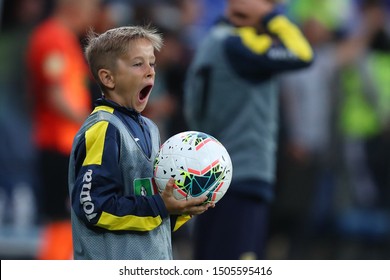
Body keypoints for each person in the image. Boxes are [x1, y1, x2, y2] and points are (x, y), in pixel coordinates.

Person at [68, 25, 214, 260]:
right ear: (108, 77)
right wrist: (160, 206)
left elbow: (149, 217)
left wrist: (181, 208)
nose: (150, 71)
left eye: (152, 63)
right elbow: (93, 207)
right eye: (138, 64)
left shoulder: (151, 128)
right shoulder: (103, 129)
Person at [184, 0, 314, 260]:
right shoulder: (239, 44)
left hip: (209, 172)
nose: (277, 9)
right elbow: (303, 55)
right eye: (270, 4)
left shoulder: (213, 40)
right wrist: (272, 20)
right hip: (242, 174)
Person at [26, 0, 100, 259]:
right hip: (57, 143)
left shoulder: (66, 39)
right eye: (91, 7)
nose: (94, 14)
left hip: (68, 144)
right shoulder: (51, 38)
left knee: (70, 218)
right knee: (61, 217)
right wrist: (93, 123)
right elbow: (56, 95)